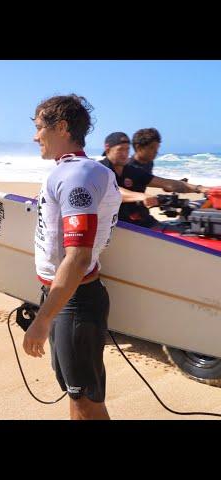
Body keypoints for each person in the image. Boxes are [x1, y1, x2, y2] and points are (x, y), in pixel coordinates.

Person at [24, 94, 121, 420]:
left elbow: (78, 259)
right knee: (76, 391)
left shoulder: (76, 176)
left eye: (39, 127)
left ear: (61, 127)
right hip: (66, 296)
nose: (35, 136)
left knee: (85, 401)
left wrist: (43, 319)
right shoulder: (70, 172)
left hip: (75, 301)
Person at [98, 131, 209, 229]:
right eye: (120, 150)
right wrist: (141, 196)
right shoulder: (99, 169)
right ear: (107, 149)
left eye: (127, 149)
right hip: (119, 227)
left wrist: (201, 189)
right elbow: (111, 190)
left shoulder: (132, 171)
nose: (125, 154)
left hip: (143, 222)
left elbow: (167, 183)